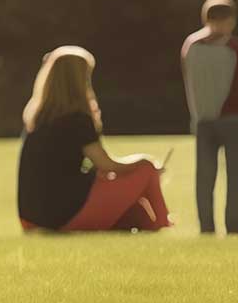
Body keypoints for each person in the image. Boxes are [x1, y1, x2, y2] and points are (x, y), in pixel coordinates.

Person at [17, 46, 172, 233]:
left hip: (32, 218)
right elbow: (107, 165)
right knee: (146, 169)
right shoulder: (77, 119)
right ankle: (163, 222)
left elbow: (63, 170)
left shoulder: (38, 120)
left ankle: (155, 224)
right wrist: (144, 163)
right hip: (63, 215)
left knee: (137, 212)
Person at [181, 0, 238, 235]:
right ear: (231, 20)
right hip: (232, 118)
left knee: (204, 179)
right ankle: (235, 228)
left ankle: (206, 228)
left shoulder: (190, 45)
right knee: (235, 176)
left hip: (202, 119)